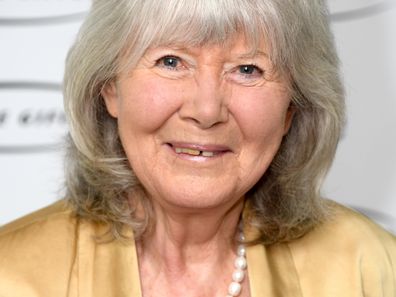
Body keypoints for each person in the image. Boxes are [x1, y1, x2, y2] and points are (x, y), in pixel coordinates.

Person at [0, 0, 395, 296]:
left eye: (247, 69)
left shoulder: (370, 269)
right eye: (172, 61)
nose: (206, 111)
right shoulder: (12, 276)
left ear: (291, 107)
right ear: (109, 87)